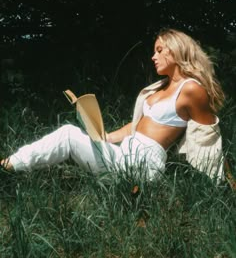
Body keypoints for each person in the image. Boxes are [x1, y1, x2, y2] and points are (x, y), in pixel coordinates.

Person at [1, 28, 225, 181]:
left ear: (177, 50)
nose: (153, 57)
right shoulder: (158, 88)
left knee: (68, 134)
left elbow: (208, 135)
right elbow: (135, 126)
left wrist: (222, 177)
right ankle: (11, 165)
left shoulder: (190, 89)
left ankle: (8, 166)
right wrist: (106, 137)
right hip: (125, 156)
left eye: (159, 50)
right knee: (73, 134)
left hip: (144, 164)